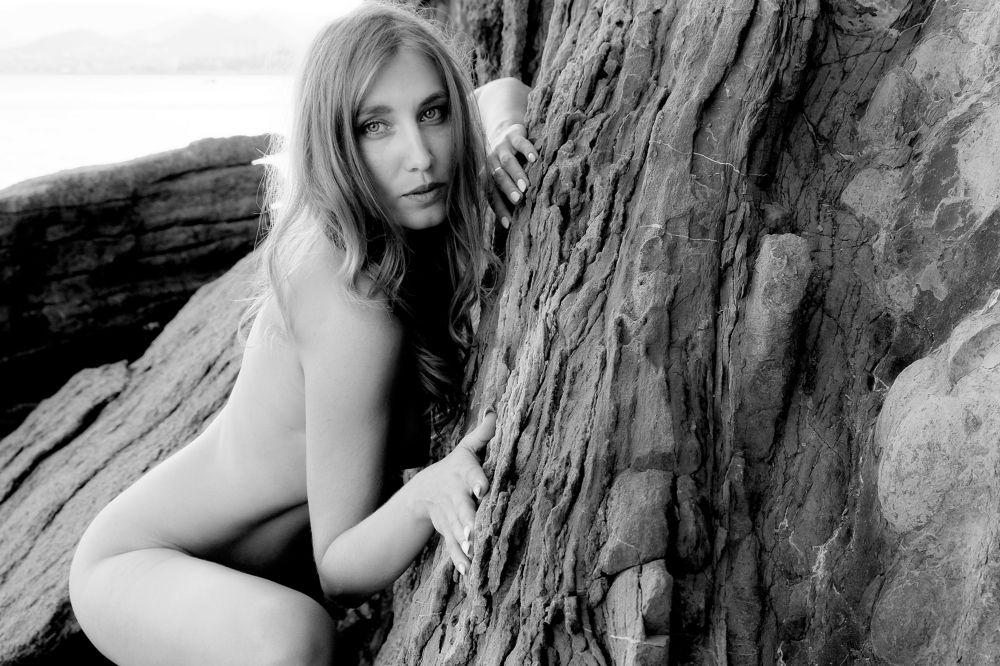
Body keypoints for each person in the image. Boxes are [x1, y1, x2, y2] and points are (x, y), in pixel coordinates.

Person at [68, 3, 535, 664]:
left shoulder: (402, 216)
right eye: (376, 126)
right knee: (293, 639)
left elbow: (499, 91)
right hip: (144, 563)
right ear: (335, 145)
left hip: (243, 583)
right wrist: (425, 494)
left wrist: (504, 130)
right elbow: (339, 570)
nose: (421, 155)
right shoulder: (350, 297)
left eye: (432, 113)